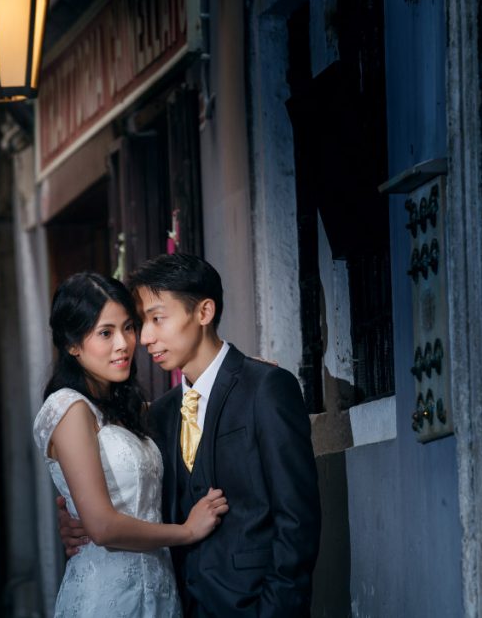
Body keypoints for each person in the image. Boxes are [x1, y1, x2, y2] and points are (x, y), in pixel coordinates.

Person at [59, 254, 321, 617]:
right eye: (141, 323)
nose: (145, 339)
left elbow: (297, 520)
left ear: (204, 312)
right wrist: (75, 516)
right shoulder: (160, 414)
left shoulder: (266, 387)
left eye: (156, 319)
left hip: (254, 606)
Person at [33, 272, 229, 618]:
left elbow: (184, 401)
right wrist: (187, 531)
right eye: (105, 333)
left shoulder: (124, 409)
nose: (123, 343)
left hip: (158, 591)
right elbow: (102, 527)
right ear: (72, 344)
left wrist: (240, 374)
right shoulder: (68, 409)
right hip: (106, 598)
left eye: (128, 327)